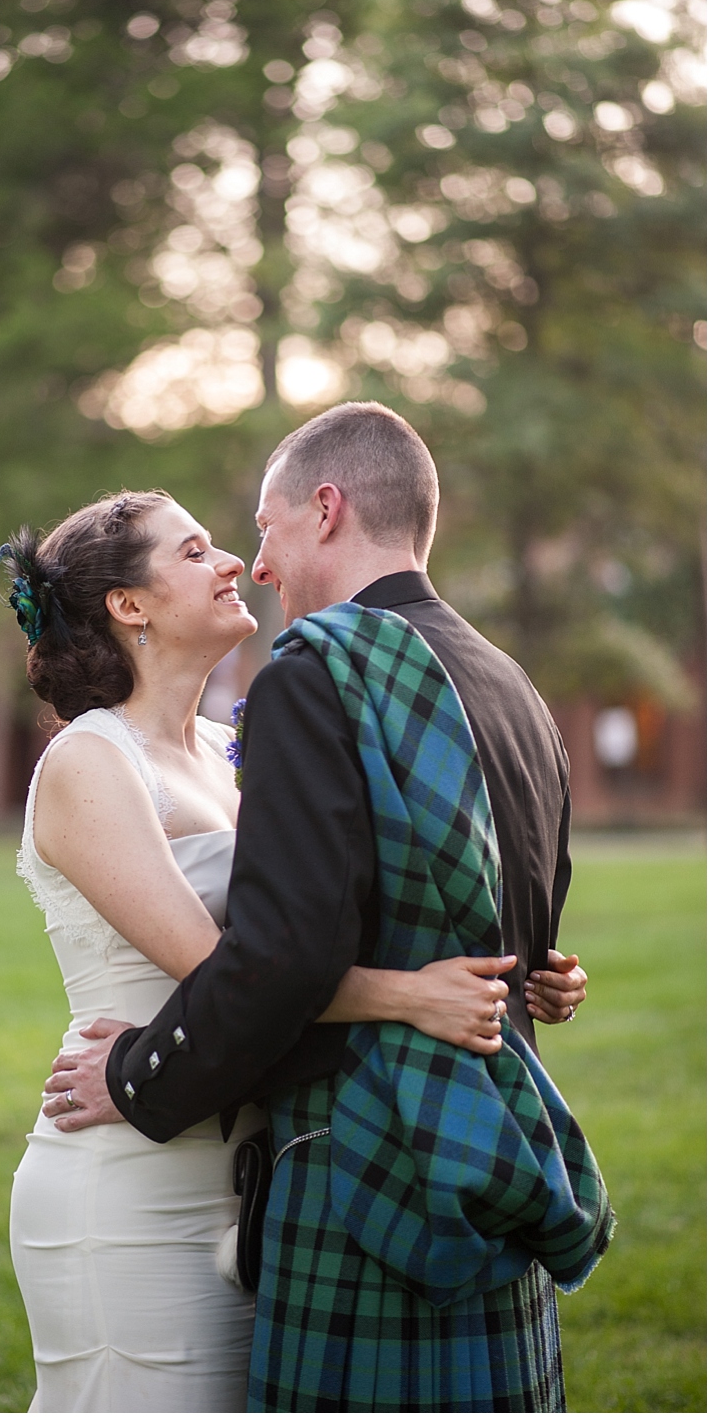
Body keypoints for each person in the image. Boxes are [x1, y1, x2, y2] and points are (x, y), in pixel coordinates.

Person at [45, 403, 611, 1413]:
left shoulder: (318, 673)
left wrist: (138, 1072)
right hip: (487, 1152)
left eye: (261, 528)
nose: (254, 564)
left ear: (325, 508)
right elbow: (516, 927)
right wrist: (534, 980)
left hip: (365, 1165)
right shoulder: (511, 685)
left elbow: (280, 955)